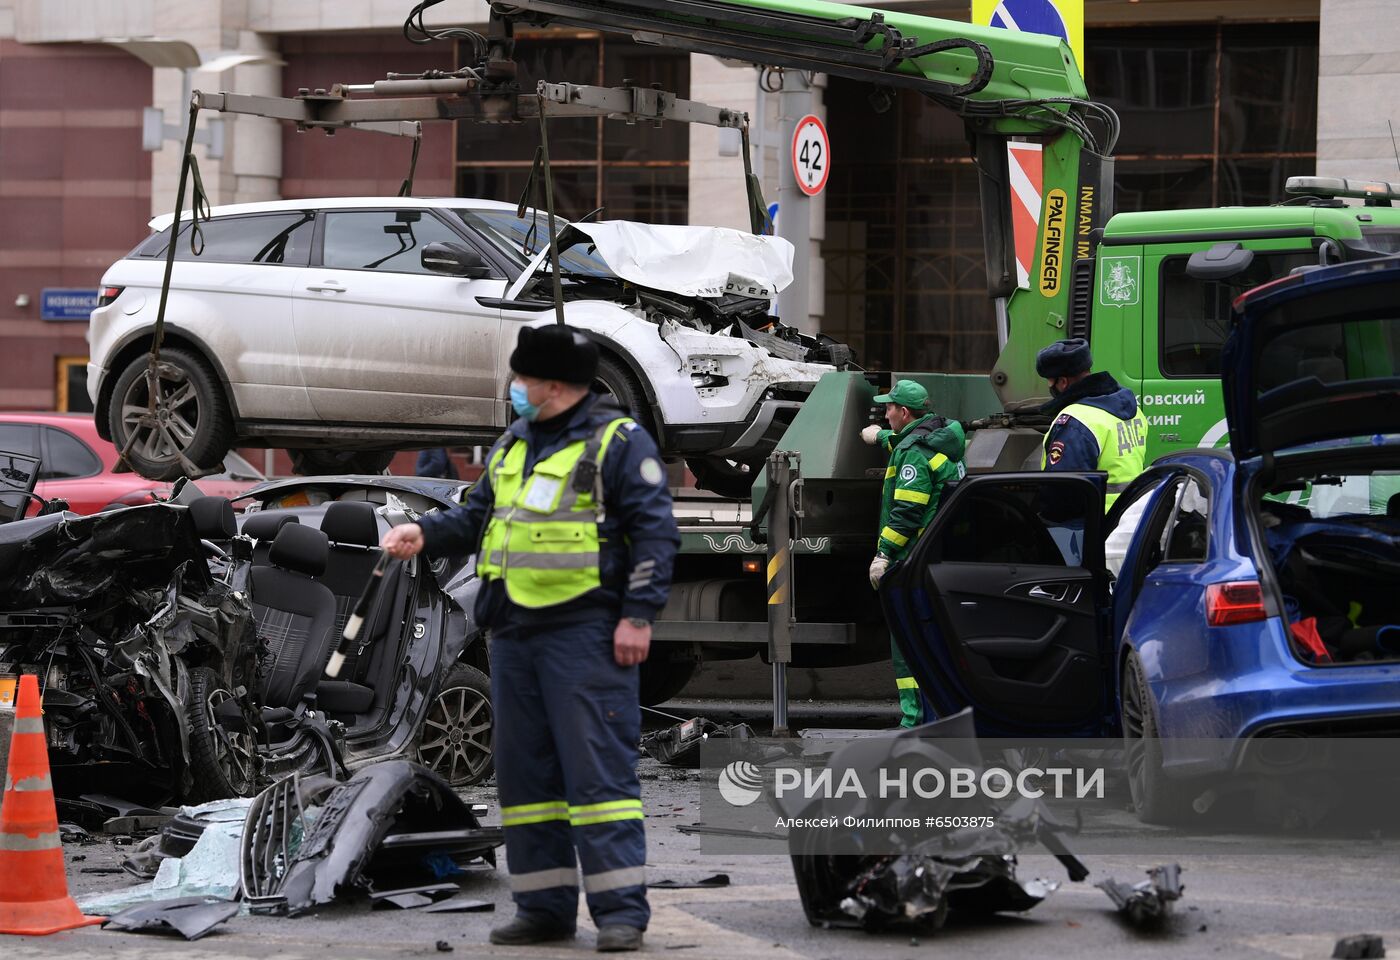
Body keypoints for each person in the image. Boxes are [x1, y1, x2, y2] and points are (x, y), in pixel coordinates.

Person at [381, 324, 679, 953]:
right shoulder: (515, 443)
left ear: (552, 384)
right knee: (525, 780)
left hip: (586, 635)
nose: (513, 388)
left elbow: (655, 537)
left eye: (521, 378)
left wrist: (638, 617)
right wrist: (425, 534)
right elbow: (479, 517)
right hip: (513, 634)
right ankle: (544, 909)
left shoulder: (618, 444)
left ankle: (621, 914)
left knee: (598, 779)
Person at [861, 379, 966, 728]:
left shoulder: (912, 454)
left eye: (889, 408)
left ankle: (915, 723)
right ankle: (938, 720)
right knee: (935, 644)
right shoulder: (940, 440)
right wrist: (881, 437)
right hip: (938, 558)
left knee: (908, 649)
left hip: (911, 562)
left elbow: (907, 510)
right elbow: (913, 445)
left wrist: (884, 554)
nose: (885, 412)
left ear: (904, 412)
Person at [1036, 337, 1148, 511]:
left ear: (1063, 382)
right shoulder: (1133, 409)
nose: (1050, 388)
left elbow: (1061, 497)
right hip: (1131, 518)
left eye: (1051, 382)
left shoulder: (1076, 422)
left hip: (1092, 528)